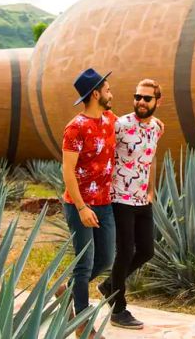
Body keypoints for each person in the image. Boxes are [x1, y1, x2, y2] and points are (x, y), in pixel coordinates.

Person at [98, 79, 163, 330]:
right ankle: (118, 309)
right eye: (137, 97)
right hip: (119, 196)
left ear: (158, 101)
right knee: (124, 251)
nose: (141, 102)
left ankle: (108, 286)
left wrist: (151, 190)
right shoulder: (121, 124)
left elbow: (152, 158)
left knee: (146, 250)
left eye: (147, 98)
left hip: (140, 198)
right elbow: (101, 149)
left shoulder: (156, 127)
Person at [61, 68, 117, 339]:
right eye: (107, 90)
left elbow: (130, 124)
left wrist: (154, 122)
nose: (111, 94)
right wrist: (82, 207)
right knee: (84, 264)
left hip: (104, 204)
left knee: (106, 258)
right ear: (95, 94)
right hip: (79, 204)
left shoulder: (109, 119)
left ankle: (68, 287)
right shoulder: (75, 127)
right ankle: (82, 324)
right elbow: (67, 170)